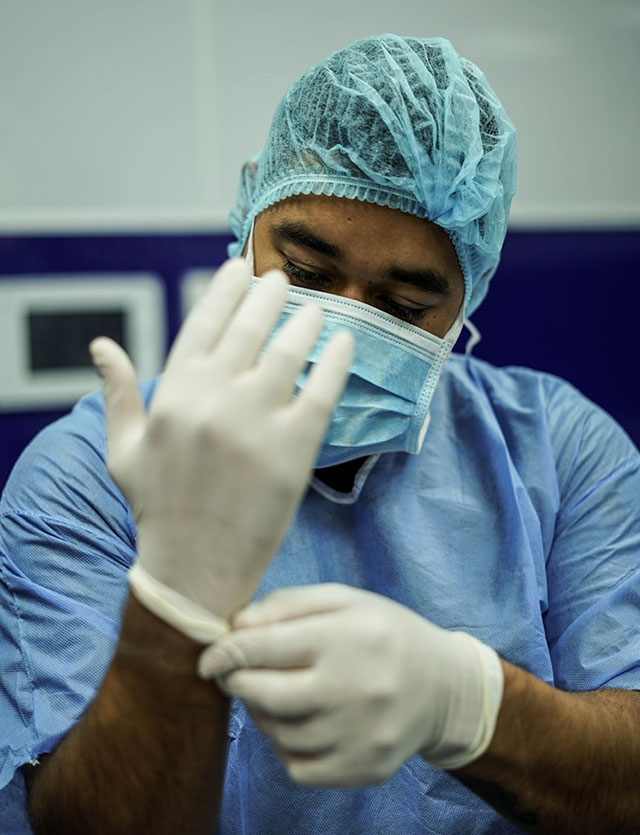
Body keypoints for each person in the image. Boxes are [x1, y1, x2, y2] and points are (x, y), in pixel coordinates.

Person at [1, 34, 639, 835]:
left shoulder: (562, 454)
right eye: (304, 274)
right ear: (246, 226)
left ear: (466, 301)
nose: (345, 331)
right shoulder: (90, 475)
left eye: (404, 309)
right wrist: (175, 602)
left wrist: (473, 705)